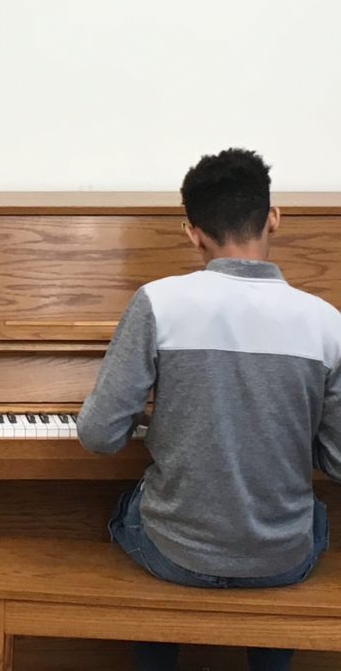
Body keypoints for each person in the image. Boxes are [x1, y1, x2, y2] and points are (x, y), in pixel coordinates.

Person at [77, 148, 341, 671]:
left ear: (192, 231)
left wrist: (171, 419)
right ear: (273, 217)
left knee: (129, 511)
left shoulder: (158, 302)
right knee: (309, 517)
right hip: (281, 558)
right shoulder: (326, 322)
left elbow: (99, 434)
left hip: (176, 554)